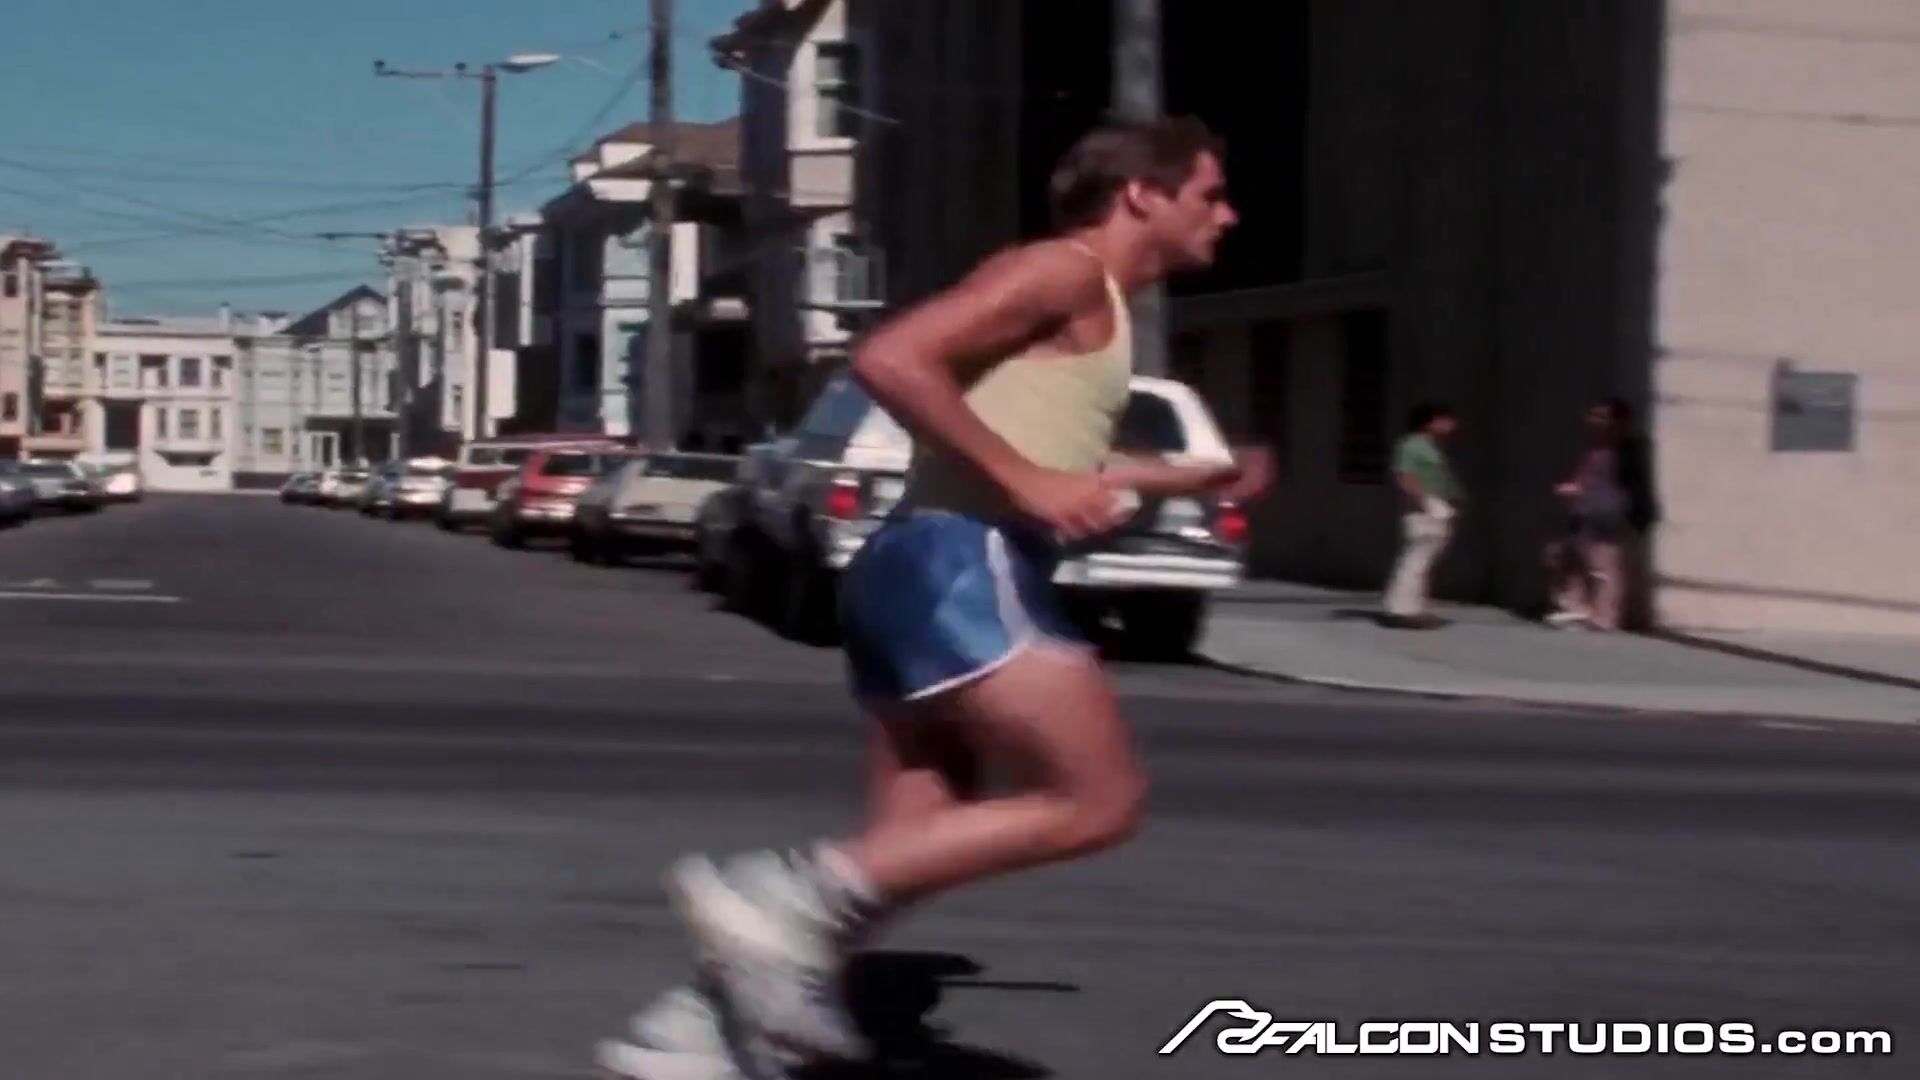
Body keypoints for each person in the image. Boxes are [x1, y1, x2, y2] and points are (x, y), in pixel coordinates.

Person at [600, 117, 1271, 1077]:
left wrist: (1190, 475)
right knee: (1097, 801)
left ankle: (691, 1037)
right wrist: (1025, 480)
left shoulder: (1091, 302)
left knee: (913, 844)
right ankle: (774, 897)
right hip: (964, 559)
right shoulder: (1065, 272)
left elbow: (1060, 454)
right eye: (1209, 194)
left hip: (921, 564)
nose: (1227, 215)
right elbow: (892, 357)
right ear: (1142, 194)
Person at [1546, 397, 1657, 631]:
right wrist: (1575, 489)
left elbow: (1627, 487)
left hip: (1608, 515)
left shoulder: (1625, 451)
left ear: (1618, 422)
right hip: (1587, 512)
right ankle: (1577, 608)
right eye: (1593, 415)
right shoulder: (1596, 450)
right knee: (1568, 558)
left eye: (1601, 417)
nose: (1594, 421)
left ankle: (1604, 617)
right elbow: (1589, 480)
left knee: (1603, 567)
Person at [1382, 403, 1463, 629]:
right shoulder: (1411, 445)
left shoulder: (1432, 447)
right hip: (1422, 509)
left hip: (1438, 507)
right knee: (1416, 558)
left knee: (1424, 562)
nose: (1451, 425)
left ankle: (1415, 608)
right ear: (1429, 422)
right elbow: (1405, 476)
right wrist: (1426, 502)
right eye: (1445, 420)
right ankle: (1401, 609)